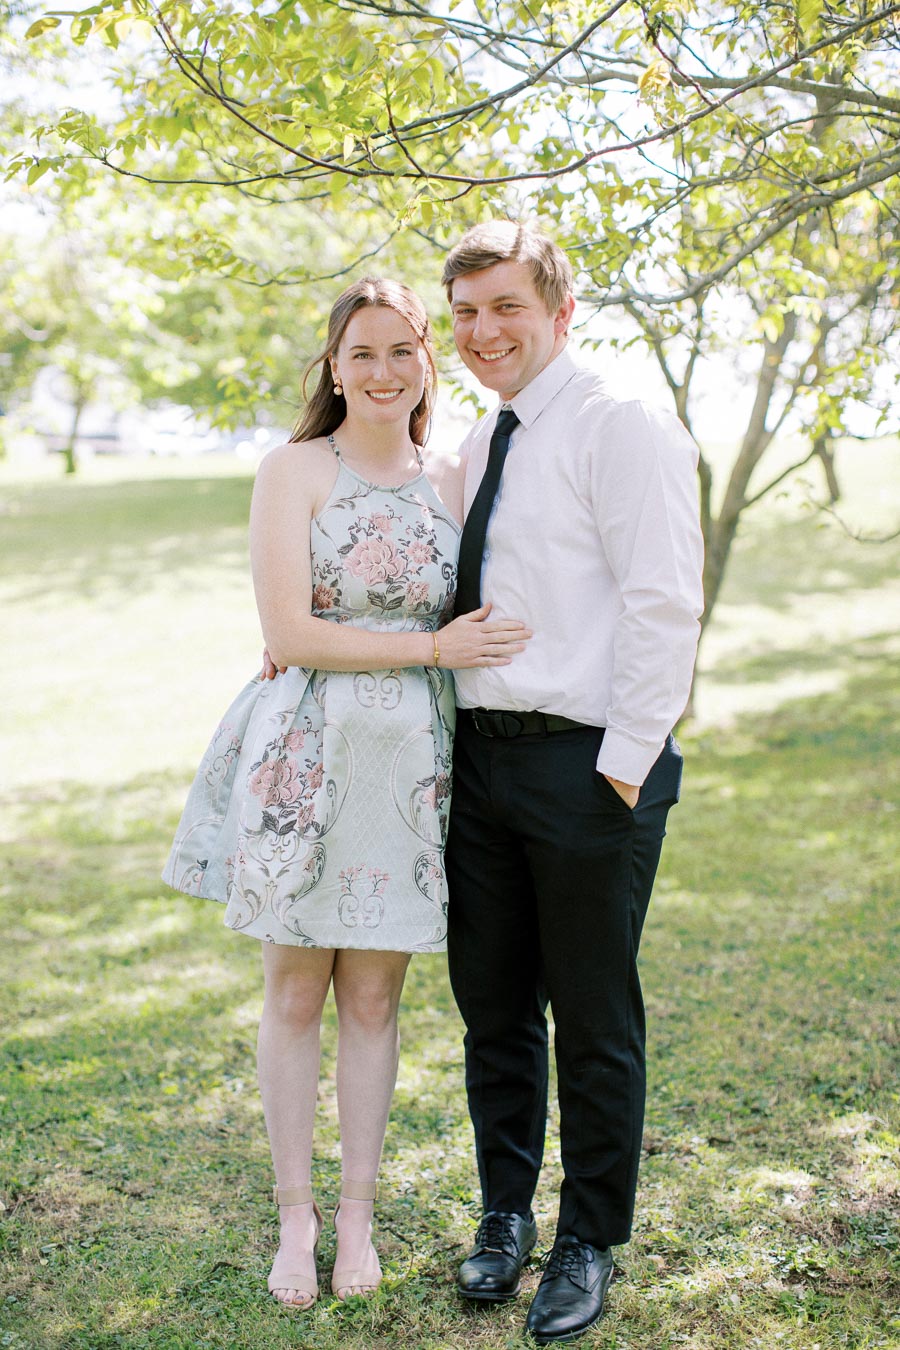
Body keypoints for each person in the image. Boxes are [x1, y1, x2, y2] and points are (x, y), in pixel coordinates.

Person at [163, 277, 530, 1311]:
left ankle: (357, 1218)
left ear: (427, 362)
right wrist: (429, 649)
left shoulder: (454, 475)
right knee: (294, 994)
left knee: (373, 1000)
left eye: (402, 350)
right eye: (361, 353)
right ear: (334, 366)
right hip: (306, 755)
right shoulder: (294, 471)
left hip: (410, 771)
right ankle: (297, 1220)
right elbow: (289, 632)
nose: (382, 371)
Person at [441, 221, 705, 1345]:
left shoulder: (620, 421)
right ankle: (504, 1215)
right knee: (494, 1011)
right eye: (465, 313)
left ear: (561, 310)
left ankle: (588, 1237)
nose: (483, 332)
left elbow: (663, 598)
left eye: (506, 306)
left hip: (588, 765)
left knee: (595, 1014)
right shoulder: (479, 438)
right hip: (481, 764)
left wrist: (623, 768)